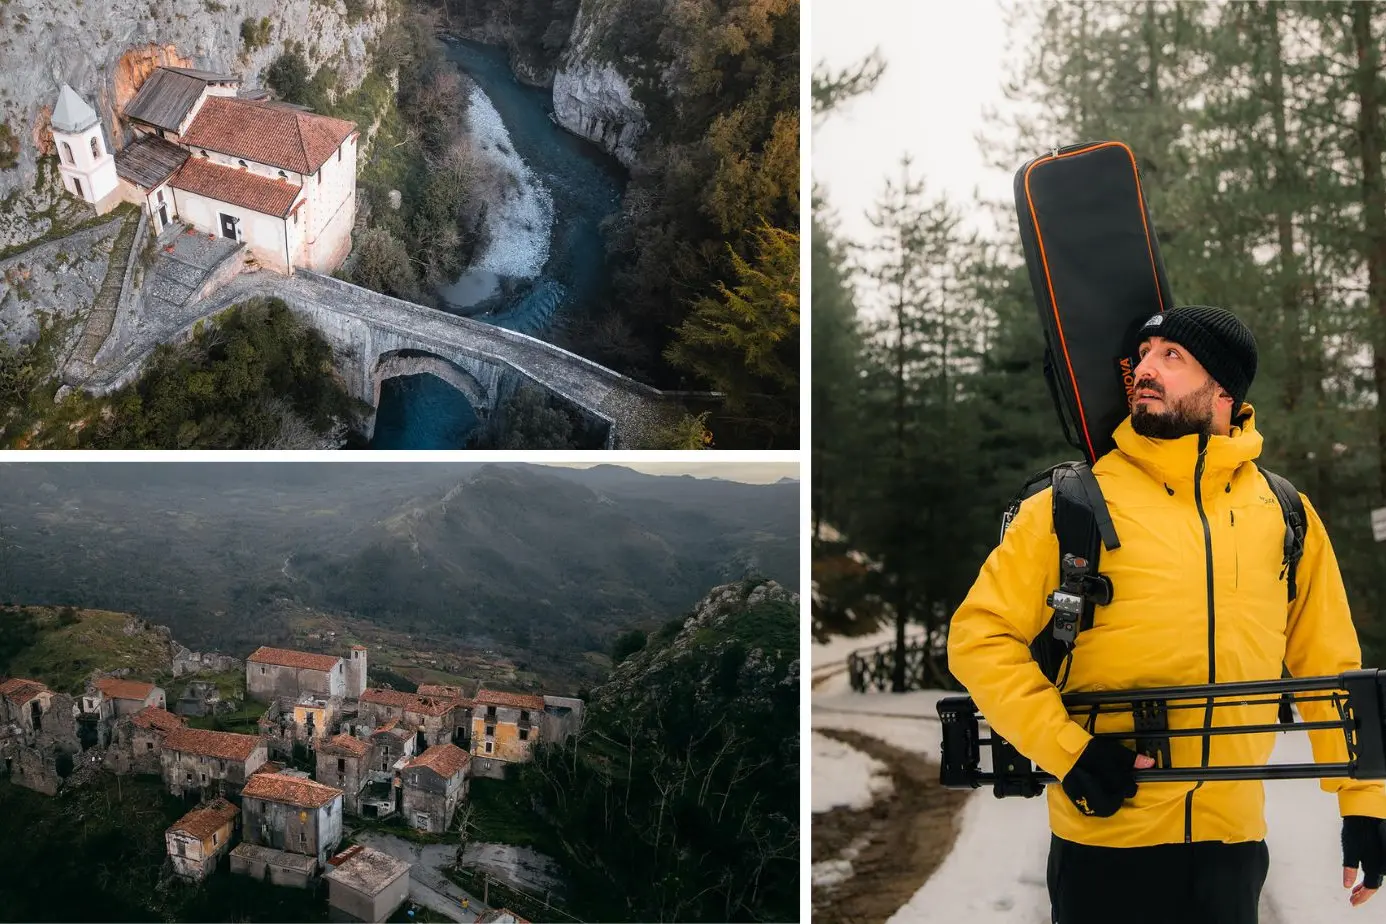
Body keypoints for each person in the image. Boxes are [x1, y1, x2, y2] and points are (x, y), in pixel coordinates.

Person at [946, 305, 1386, 924]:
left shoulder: (1285, 513)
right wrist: (1070, 752)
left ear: (1225, 389)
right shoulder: (1071, 503)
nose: (1145, 370)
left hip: (1230, 851)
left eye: (1171, 356)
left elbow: (1331, 668)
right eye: (1144, 354)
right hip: (1105, 841)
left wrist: (1363, 801)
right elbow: (978, 637)